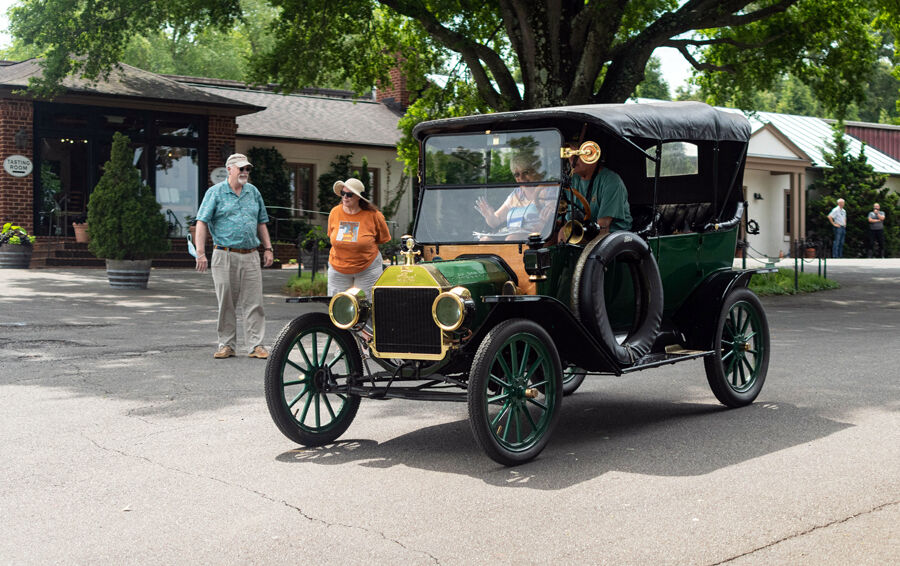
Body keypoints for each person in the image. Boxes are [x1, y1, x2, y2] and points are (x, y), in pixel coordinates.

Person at [194, 153, 274, 360]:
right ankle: (227, 345)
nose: (245, 172)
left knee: (254, 302)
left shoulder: (253, 192)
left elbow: (261, 222)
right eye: (241, 169)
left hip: (250, 255)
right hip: (224, 254)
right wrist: (201, 253)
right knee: (226, 301)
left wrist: (268, 248)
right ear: (230, 169)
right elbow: (201, 222)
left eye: (247, 169)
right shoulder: (215, 192)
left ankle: (256, 345)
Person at [327, 178, 392, 299]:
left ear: (358, 197)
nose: (345, 197)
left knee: (369, 306)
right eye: (343, 193)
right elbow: (332, 236)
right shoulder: (334, 212)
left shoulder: (374, 215)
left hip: (368, 269)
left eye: (349, 194)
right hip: (338, 268)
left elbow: (382, 238)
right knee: (337, 306)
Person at [475, 154, 556, 238]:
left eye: (525, 172)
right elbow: (496, 221)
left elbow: (551, 220)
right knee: (485, 240)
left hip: (537, 239)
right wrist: (490, 216)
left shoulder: (546, 191)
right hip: (514, 239)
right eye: (517, 175)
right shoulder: (516, 194)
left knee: (512, 238)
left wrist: (542, 223)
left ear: (535, 171)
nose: (521, 177)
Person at [568, 148, 631, 236]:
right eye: (569, 153)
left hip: (611, 238)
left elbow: (603, 228)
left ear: (592, 154)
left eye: (577, 153)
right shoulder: (571, 180)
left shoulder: (611, 181)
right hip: (579, 233)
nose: (571, 158)